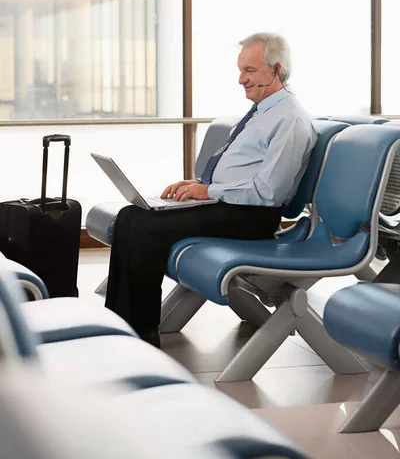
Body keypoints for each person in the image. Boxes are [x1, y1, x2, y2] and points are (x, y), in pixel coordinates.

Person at [105, 33, 318, 347]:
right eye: (240, 70)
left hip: (252, 216)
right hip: (231, 205)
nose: (241, 79)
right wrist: (200, 186)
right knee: (129, 216)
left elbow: (270, 192)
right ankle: (118, 322)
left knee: (147, 227)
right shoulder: (263, 112)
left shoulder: (289, 120)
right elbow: (244, 173)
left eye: (250, 71)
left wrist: (209, 192)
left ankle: (141, 333)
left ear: (276, 69)